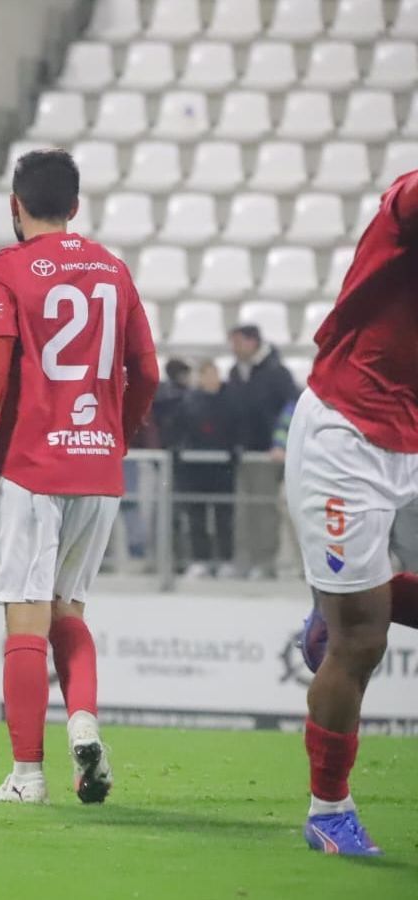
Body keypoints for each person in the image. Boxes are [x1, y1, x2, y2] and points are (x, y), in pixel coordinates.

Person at [0, 149, 159, 806]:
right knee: (70, 610)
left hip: (31, 468)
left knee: (26, 621)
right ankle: (84, 724)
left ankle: (28, 776)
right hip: (98, 466)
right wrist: (115, 437)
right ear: (74, 206)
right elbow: (148, 372)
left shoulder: (6, 269)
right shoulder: (113, 269)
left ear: (15, 206)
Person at [282, 169, 418, 857]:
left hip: (412, 434)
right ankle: (328, 810)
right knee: (362, 640)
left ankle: (340, 598)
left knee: (358, 614)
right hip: (349, 430)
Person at [226, 324, 299, 580]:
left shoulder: (277, 372)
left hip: (267, 454)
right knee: (243, 512)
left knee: (264, 510)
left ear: (252, 342)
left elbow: (291, 407)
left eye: (238, 342)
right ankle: (245, 560)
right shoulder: (235, 372)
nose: (233, 348)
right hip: (243, 454)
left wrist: (280, 443)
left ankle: (265, 562)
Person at [172, 361, 235, 577]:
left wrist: (234, 449)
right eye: (206, 375)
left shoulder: (229, 401)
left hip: (223, 471)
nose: (210, 379)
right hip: (195, 470)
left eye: (213, 374)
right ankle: (200, 559)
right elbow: (179, 430)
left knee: (223, 517)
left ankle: (226, 560)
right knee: (196, 517)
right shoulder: (188, 402)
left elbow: (238, 428)